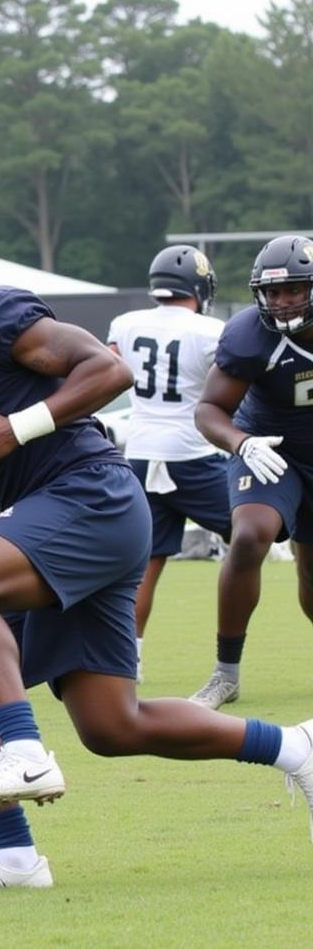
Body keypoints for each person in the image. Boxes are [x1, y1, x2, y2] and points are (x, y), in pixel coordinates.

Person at [0, 224, 313, 894]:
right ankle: (291, 748)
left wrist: (17, 425)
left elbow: (108, 369)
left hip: (87, 494)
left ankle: (26, 751)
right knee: (96, 720)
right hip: (51, 516)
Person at [190, 234, 313, 709]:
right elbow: (209, 410)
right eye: (273, 292)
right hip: (269, 448)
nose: (281, 303)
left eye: (293, 291)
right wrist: (241, 442)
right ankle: (226, 673)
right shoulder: (250, 336)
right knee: (248, 536)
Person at [106, 245, 231, 683]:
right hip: (192, 454)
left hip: (141, 452)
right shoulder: (210, 330)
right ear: (198, 288)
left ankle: (129, 659)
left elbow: (110, 372)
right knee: (261, 532)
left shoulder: (125, 324)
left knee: (146, 563)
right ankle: (230, 656)